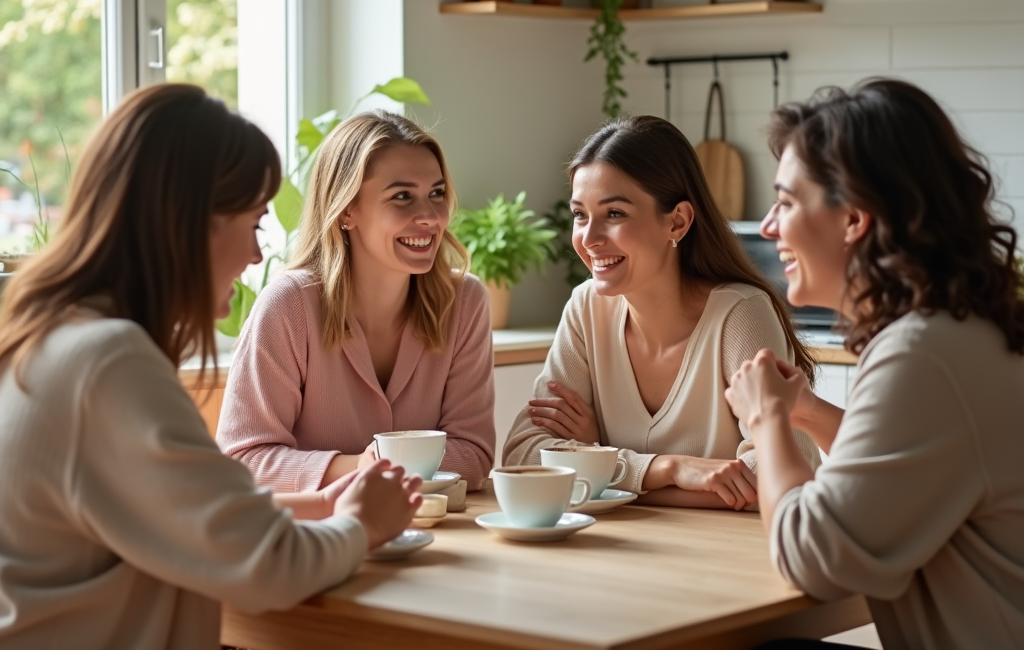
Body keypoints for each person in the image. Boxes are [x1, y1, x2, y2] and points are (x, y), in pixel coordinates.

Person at [0, 84, 423, 650]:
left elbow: (184, 510)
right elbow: (267, 568)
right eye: (251, 224)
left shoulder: (48, 340)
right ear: (188, 223)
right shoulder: (106, 364)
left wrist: (322, 504)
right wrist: (362, 526)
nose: (255, 255)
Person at [725, 79, 1024, 649]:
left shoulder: (923, 353)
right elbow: (894, 479)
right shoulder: (958, 332)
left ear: (853, 219)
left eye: (786, 202)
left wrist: (765, 422)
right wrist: (807, 412)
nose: (768, 227)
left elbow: (812, 556)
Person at [503, 115, 819, 510]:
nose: (589, 238)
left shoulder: (739, 314)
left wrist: (599, 458)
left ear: (678, 221)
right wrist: (668, 469)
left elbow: (782, 473)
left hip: (725, 559)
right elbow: (523, 455)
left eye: (614, 214)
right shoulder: (586, 307)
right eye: (580, 215)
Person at [217, 111, 495, 492]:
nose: (430, 216)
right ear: (347, 210)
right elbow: (243, 461)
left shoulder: (465, 302)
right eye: (402, 197)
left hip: (434, 534)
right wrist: (361, 467)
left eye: (437, 193)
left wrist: (385, 464)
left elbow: (475, 454)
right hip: (316, 538)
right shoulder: (288, 306)